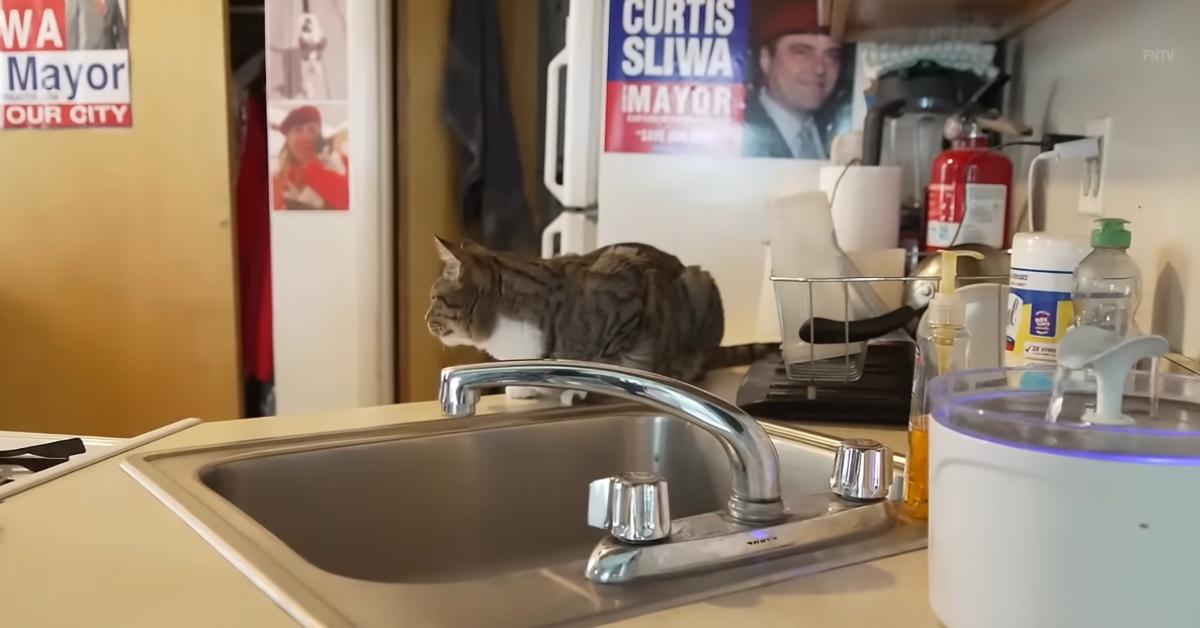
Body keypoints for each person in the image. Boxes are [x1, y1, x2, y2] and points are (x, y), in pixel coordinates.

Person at [743, 0, 844, 160]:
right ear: (766, 59)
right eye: (802, 52)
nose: (820, 69)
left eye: (831, 56)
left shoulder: (841, 131)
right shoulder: (740, 134)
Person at [272, 105, 350, 211]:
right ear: (288, 141)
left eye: (312, 130)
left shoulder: (342, 161)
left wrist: (312, 168)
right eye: (298, 130)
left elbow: (350, 201)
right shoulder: (278, 180)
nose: (306, 137)